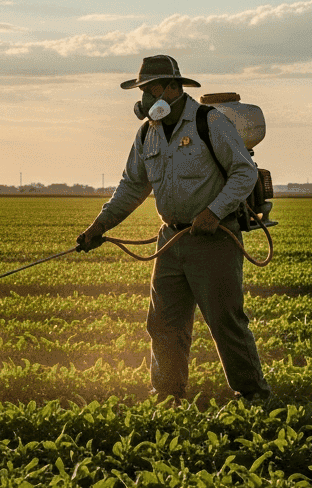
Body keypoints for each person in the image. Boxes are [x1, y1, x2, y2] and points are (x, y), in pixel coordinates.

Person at [78, 55, 272, 404]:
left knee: (225, 322)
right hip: (171, 240)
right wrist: (99, 225)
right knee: (164, 323)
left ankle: (253, 396)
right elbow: (132, 186)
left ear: (173, 88)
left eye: (152, 91)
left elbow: (244, 173)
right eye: (143, 93)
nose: (146, 101)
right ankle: (167, 396)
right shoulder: (147, 133)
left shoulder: (209, 122)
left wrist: (214, 212)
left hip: (213, 239)